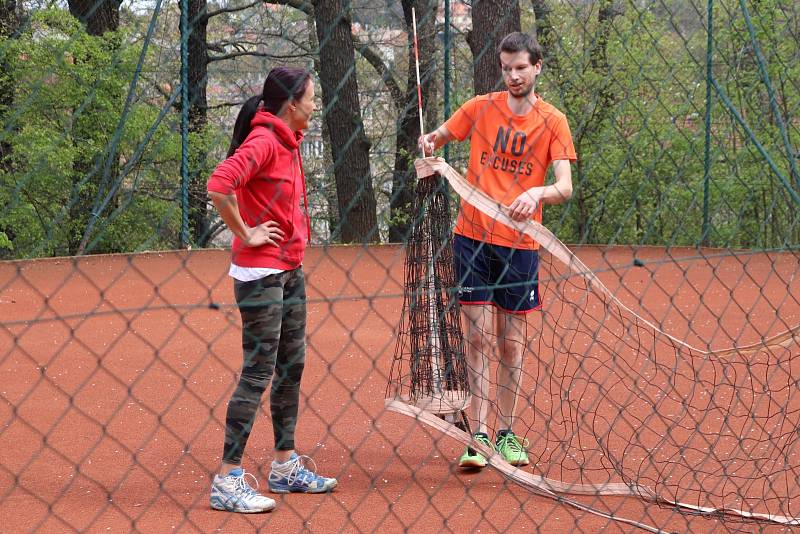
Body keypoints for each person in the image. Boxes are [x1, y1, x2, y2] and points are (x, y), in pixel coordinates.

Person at [419, 32, 576, 469]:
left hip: (520, 245)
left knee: (511, 342)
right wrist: (429, 141)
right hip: (471, 236)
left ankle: (507, 432)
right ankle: (480, 435)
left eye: (520, 67)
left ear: (537, 67)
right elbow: (441, 136)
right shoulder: (480, 107)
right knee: (476, 337)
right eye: (506, 68)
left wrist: (537, 193)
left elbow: (564, 187)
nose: (513, 75)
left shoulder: (553, 121)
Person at [207, 67, 337, 513]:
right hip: (261, 273)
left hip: (289, 268)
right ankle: (227, 479)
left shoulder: (288, 140)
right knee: (259, 371)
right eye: (311, 98)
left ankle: (284, 465)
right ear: (292, 104)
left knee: (290, 366)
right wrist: (246, 232)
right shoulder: (264, 141)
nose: (315, 105)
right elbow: (219, 185)